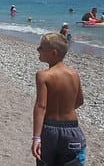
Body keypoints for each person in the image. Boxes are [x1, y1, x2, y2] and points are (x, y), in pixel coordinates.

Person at [32, 33, 86, 165]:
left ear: (53, 53)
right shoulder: (74, 74)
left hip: (50, 130)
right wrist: (65, 109)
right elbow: (80, 101)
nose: (37, 49)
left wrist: (36, 138)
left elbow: (41, 106)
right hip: (72, 130)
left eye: (41, 48)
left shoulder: (43, 75)